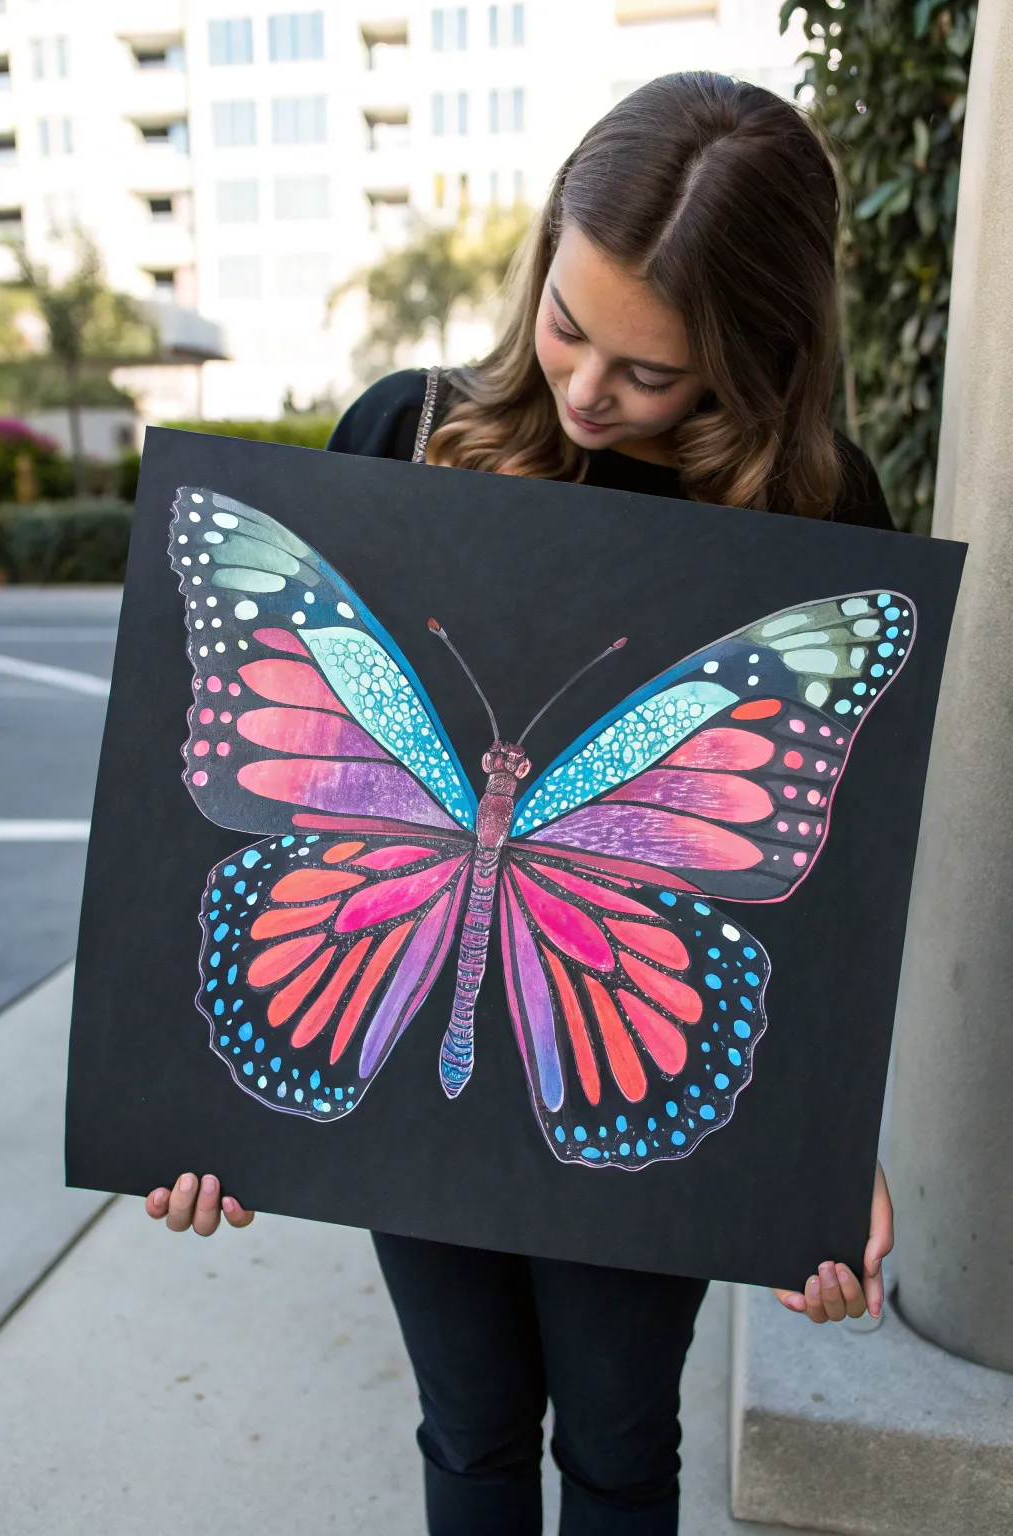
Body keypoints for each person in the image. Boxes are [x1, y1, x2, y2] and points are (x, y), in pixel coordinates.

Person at [147, 73, 895, 1536]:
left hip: (628, 995)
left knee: (617, 1436)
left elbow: (837, 882)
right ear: (540, 257)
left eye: (653, 371)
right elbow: (254, 795)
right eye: (566, 321)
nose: (586, 390)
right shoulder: (401, 437)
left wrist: (822, 1143)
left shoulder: (814, 515)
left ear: (757, 360)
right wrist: (185, 1101)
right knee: (471, 1423)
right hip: (377, 950)